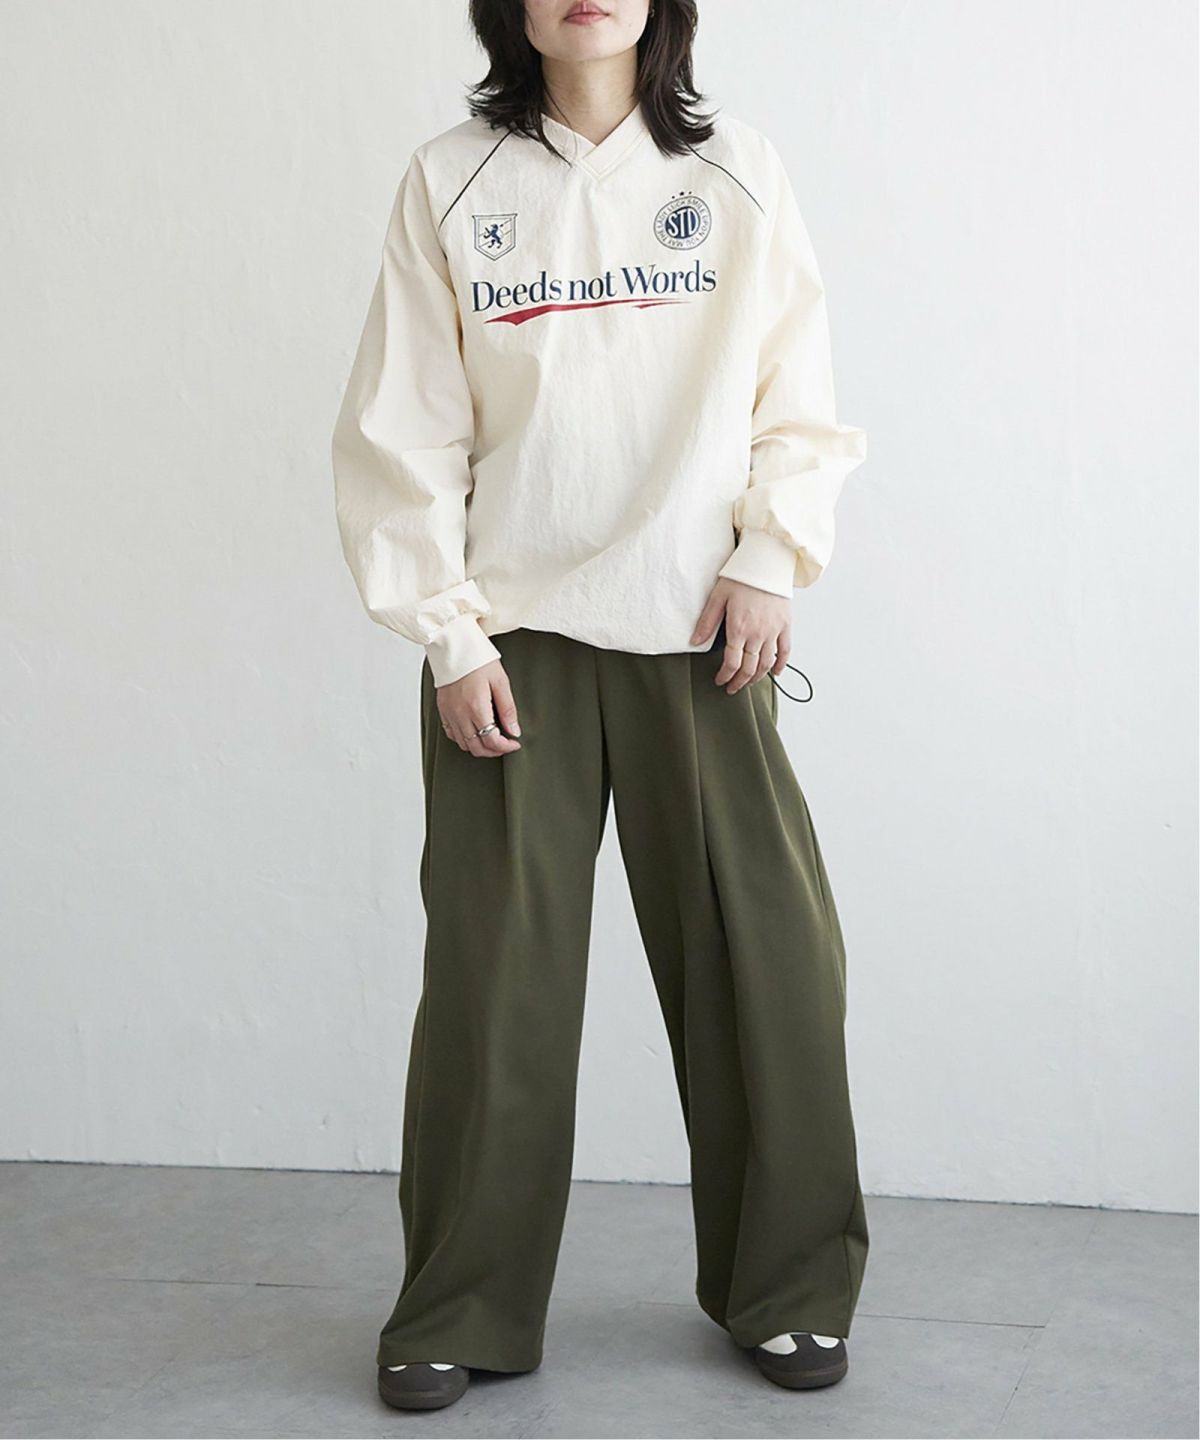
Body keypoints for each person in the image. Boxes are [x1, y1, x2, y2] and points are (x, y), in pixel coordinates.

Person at [332, 0, 869, 1413]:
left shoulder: (735, 169)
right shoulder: (451, 180)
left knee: (768, 965)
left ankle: (789, 1288)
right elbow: (403, 428)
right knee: (492, 986)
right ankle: (457, 1304)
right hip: (512, 645)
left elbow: (797, 395)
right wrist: (448, 635)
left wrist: (770, 557)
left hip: (703, 634)